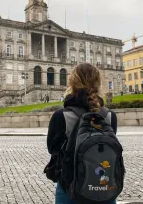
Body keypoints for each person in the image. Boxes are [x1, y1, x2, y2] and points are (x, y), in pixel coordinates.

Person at [46, 63, 118, 204]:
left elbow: (53, 150)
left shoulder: (61, 116)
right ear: (98, 83)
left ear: (72, 83)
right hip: (105, 188)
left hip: (70, 189)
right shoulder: (110, 116)